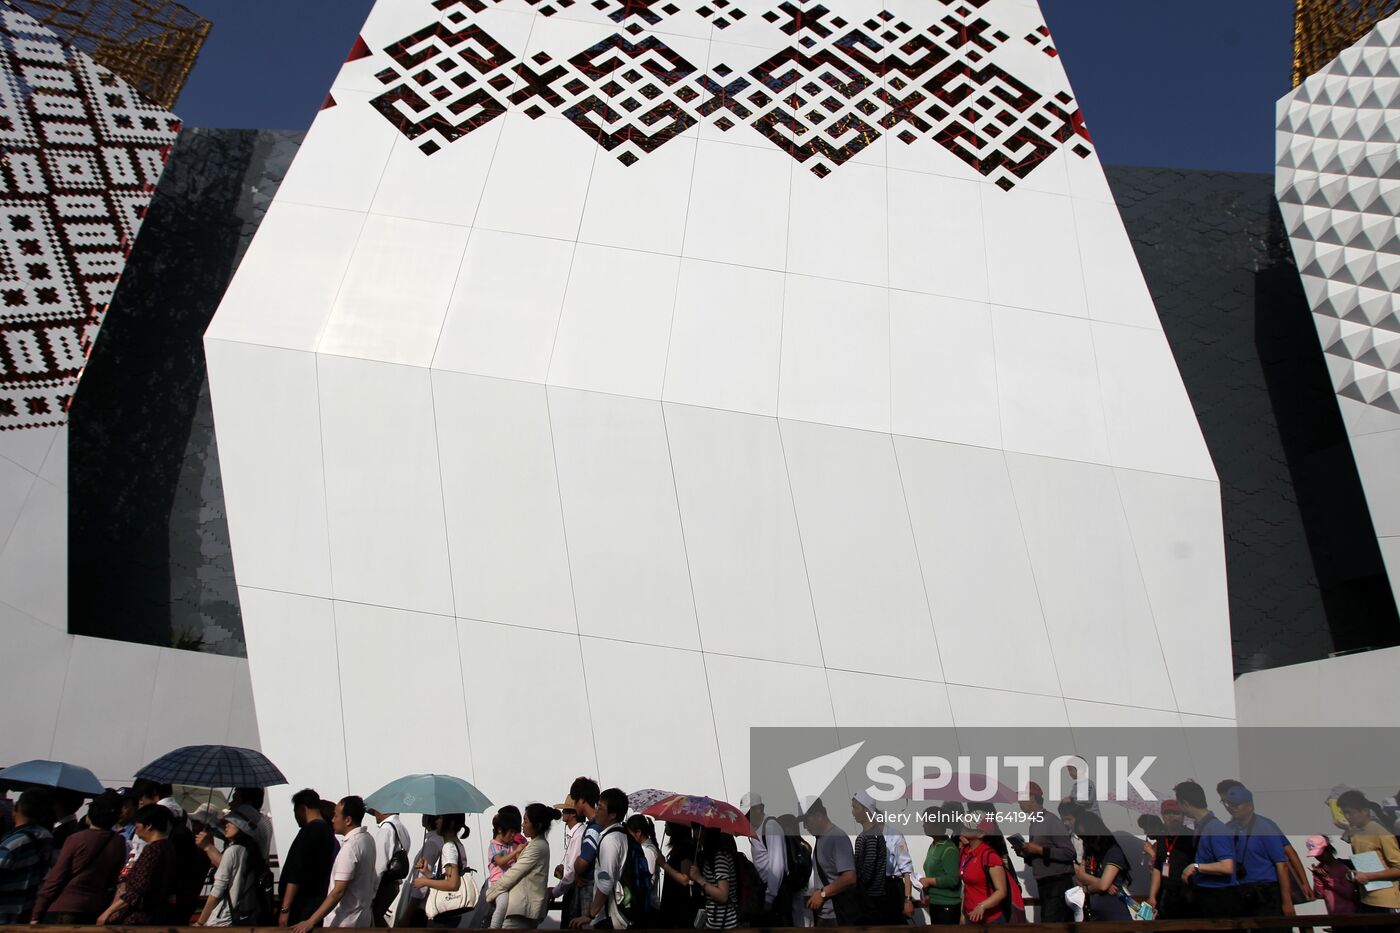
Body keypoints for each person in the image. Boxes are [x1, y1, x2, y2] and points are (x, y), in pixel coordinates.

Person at [33, 790, 126, 924]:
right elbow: (112, 879)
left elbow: (56, 878)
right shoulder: (118, 842)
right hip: (94, 907)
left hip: (63, 907)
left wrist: (37, 911)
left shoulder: (76, 839)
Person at [291, 796, 379, 932]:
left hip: (344, 922)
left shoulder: (351, 846)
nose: (332, 820)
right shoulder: (367, 839)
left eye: (336, 816)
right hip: (362, 918)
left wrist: (311, 921)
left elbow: (338, 891)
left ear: (348, 820)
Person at [1221, 784, 1293, 928]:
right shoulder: (1228, 828)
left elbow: (1282, 865)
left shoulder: (1265, 827)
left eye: (1237, 804)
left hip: (1267, 892)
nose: (1232, 808)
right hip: (1241, 890)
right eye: (1229, 804)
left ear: (1250, 805)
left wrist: (1287, 902)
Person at [97, 803, 178, 926]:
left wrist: (108, 911)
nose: (136, 829)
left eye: (137, 825)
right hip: (157, 916)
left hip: (138, 918)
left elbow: (139, 889)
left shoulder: (153, 849)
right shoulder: (169, 847)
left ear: (148, 826)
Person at [1173, 780, 1240, 918]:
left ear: (1185, 803)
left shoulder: (1215, 828)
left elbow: (1227, 866)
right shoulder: (1201, 827)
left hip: (1219, 897)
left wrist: (1195, 867)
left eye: (1178, 803)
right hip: (1206, 893)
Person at [488, 804, 559, 929]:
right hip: (522, 910)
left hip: (521, 910)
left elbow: (514, 872)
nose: (522, 825)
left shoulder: (536, 847)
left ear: (538, 825)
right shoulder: (535, 844)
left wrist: (491, 893)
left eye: (525, 821)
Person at [1013, 781, 1075, 922]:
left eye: (1022, 798)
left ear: (1032, 798)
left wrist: (1039, 850)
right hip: (1046, 884)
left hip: (1058, 884)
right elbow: (1039, 856)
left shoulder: (1051, 820)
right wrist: (1025, 853)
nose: (1019, 802)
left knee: (1052, 925)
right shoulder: (1035, 823)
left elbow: (1069, 853)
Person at [194, 809, 267, 926]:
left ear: (242, 827)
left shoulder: (232, 851)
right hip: (242, 914)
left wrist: (200, 922)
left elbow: (217, 891)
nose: (226, 825)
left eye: (232, 822)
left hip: (223, 918)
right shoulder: (250, 849)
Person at [570, 787, 629, 929]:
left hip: (610, 917)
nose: (596, 811)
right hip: (618, 913)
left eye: (601, 808)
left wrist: (590, 915)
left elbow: (605, 882)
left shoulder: (610, 841)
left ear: (613, 814)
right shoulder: (622, 834)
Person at [280, 788, 338, 928]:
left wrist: (285, 908)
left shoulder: (308, 832)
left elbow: (296, 872)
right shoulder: (328, 832)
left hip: (302, 906)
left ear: (302, 809)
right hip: (319, 902)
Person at [1337, 788, 1400, 915]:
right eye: (1345, 813)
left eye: (1350, 813)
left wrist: (1368, 876)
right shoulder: (1355, 831)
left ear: (1365, 811)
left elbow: (1398, 868)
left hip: (1386, 902)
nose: (1347, 817)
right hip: (1365, 900)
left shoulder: (1381, 833)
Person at [0, 788, 55, 924]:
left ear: (16, 808)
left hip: (4, 915)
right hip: (26, 911)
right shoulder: (46, 836)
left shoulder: (11, 844)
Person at [799, 797, 856, 927]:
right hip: (824, 914)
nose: (805, 827)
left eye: (806, 821)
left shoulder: (837, 838)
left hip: (837, 915)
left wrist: (823, 893)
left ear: (818, 815)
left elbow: (850, 877)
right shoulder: (821, 838)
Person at [411, 813, 472, 929]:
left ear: (451, 823)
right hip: (452, 910)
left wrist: (424, 882)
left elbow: (452, 884)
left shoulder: (449, 847)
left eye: (441, 818)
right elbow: (448, 879)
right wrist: (427, 873)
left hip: (444, 911)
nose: (437, 821)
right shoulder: (458, 845)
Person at [1072, 810, 1132, 920]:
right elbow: (1080, 876)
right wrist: (1101, 884)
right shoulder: (1090, 853)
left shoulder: (1113, 852)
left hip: (1114, 913)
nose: (1084, 840)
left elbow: (1102, 886)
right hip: (1095, 914)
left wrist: (1087, 888)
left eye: (1086, 836)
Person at [741, 793, 788, 926]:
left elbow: (777, 866)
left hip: (774, 891)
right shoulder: (756, 829)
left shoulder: (770, 826)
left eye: (749, 813)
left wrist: (769, 898)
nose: (747, 817)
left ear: (760, 809)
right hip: (763, 888)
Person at [1146, 799, 1196, 920]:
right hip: (1166, 895)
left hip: (1187, 896)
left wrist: (1192, 893)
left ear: (1183, 816)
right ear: (1163, 816)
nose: (1171, 816)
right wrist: (1152, 895)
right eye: (1168, 813)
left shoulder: (1191, 837)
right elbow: (1158, 868)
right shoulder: (1162, 839)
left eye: (1175, 813)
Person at [957, 816, 1008, 925]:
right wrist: (962, 914)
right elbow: (967, 887)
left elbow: (1001, 891)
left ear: (981, 834)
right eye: (965, 824)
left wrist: (982, 906)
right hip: (970, 917)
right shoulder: (965, 852)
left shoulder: (989, 856)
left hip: (991, 920)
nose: (964, 827)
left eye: (970, 827)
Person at [484, 807, 526, 928]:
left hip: (511, 883)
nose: (513, 835)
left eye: (515, 832)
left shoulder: (511, 845)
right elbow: (500, 861)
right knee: (502, 905)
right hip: (499, 885)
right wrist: (515, 852)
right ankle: (494, 929)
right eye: (510, 832)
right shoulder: (493, 846)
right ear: (499, 830)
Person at [401, 814, 447, 928]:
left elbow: (422, 885)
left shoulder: (432, 843)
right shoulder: (440, 841)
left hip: (420, 908)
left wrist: (407, 915)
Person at [918, 805, 961, 925]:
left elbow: (953, 880)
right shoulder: (933, 846)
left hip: (947, 906)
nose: (923, 825)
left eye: (926, 822)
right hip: (935, 904)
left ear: (936, 824)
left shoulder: (949, 849)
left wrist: (929, 881)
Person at [690, 826, 739, 930]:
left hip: (725, 924)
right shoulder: (710, 856)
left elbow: (723, 896)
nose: (694, 832)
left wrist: (699, 879)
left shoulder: (720, 857)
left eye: (697, 828)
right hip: (715, 923)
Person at [569, 779, 602, 926]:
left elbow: (583, 862)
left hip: (590, 887)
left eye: (575, 800)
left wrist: (576, 868)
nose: (573, 804)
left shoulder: (594, 827)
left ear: (582, 800)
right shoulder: (601, 824)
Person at [369, 808, 410, 927]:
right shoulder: (401, 828)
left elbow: (379, 866)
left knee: (380, 925)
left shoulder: (386, 829)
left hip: (383, 887)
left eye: (375, 811)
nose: (375, 815)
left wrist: (371, 895)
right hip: (394, 885)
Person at [656, 819, 699, 928]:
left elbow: (685, 879)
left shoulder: (685, 847)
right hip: (673, 903)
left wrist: (664, 865)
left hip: (679, 905)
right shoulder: (678, 847)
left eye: (667, 824)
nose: (665, 827)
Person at [550, 798, 584, 925]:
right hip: (571, 888)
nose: (563, 812)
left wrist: (554, 892)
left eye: (565, 810)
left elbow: (571, 873)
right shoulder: (576, 834)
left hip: (574, 891)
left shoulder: (578, 835)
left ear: (573, 813)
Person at [1307, 835, 1358, 916]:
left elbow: (1348, 893)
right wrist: (1317, 877)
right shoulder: (1320, 869)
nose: (1320, 858)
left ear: (1329, 850)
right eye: (1317, 856)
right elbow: (1319, 895)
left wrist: (1327, 878)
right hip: (1333, 915)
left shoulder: (1342, 868)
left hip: (1349, 915)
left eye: (1321, 855)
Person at [624, 815, 662, 912]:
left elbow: (648, 880)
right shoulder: (643, 848)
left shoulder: (647, 851)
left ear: (638, 833)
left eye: (630, 833)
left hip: (649, 905)